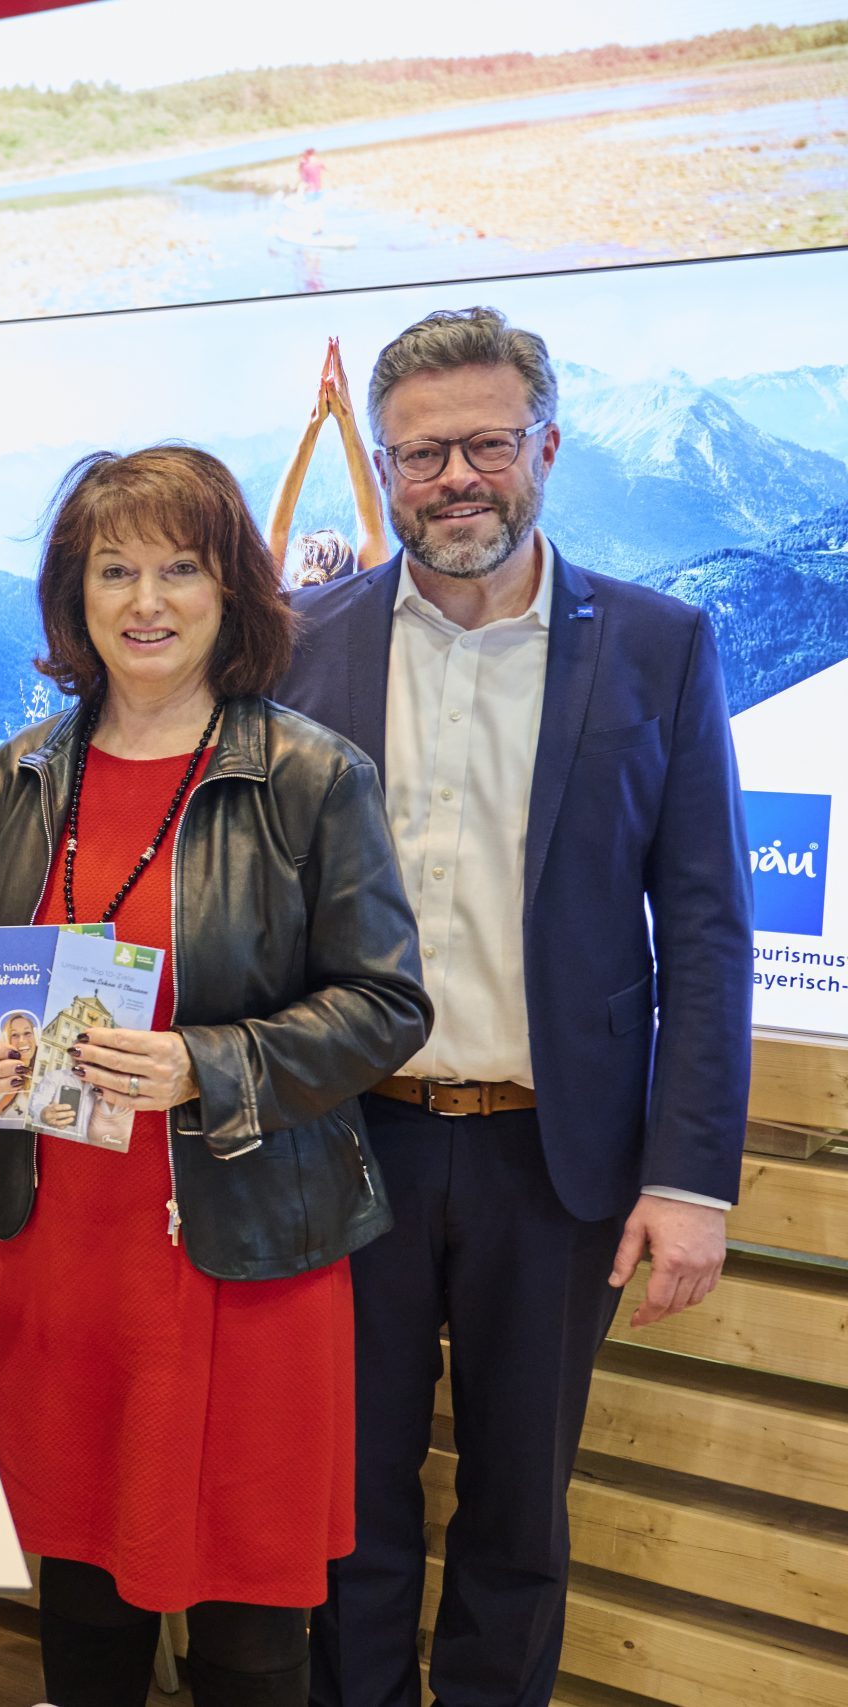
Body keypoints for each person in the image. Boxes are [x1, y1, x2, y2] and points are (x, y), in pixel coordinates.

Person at [279, 309, 750, 1707]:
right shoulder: (303, 642)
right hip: (346, 1143)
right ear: (383, 461)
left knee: (519, 1521)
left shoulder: (658, 644)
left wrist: (690, 1176)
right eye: (422, 452)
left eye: (488, 441)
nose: (457, 477)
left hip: (558, 1163)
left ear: (547, 443)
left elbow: (710, 927)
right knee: (344, 1513)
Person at [0, 443, 431, 1707]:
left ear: (231, 591)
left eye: (179, 570)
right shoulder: (23, 771)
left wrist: (203, 1064)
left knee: (250, 1629)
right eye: (114, 571)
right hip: (60, 1237)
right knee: (79, 1593)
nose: (146, 601)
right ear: (73, 596)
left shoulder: (310, 776)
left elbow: (386, 1005)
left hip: (237, 1245)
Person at [268, 339, 392, 587]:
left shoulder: (275, 611)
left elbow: (278, 531)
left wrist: (314, 421)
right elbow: (371, 525)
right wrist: (345, 417)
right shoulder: (364, 603)